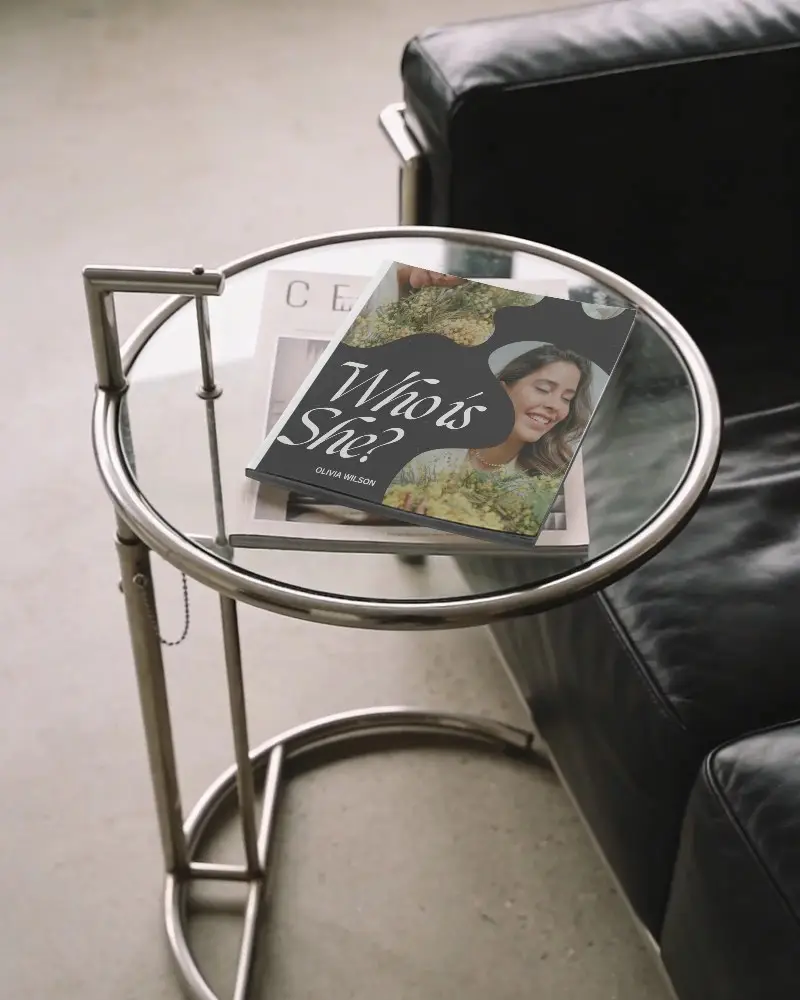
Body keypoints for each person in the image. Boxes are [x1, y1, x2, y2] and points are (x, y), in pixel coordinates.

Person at [386, 343, 594, 516]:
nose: (555, 406)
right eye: (543, 389)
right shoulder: (427, 453)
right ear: (502, 390)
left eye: (566, 399)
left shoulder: (550, 483)